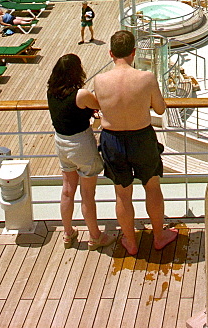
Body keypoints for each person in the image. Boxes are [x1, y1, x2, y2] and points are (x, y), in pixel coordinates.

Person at [87, 30, 177, 255]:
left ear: (110, 53)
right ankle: (159, 236)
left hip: (112, 139)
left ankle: (130, 241)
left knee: (122, 193)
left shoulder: (100, 80)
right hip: (142, 137)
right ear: (134, 52)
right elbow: (159, 108)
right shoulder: (146, 78)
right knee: (152, 187)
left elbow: (99, 106)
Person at [47, 54, 111, 250]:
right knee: (87, 195)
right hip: (80, 143)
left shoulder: (51, 92)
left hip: (61, 143)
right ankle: (95, 236)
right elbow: (99, 105)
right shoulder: (80, 94)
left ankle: (68, 234)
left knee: (67, 191)